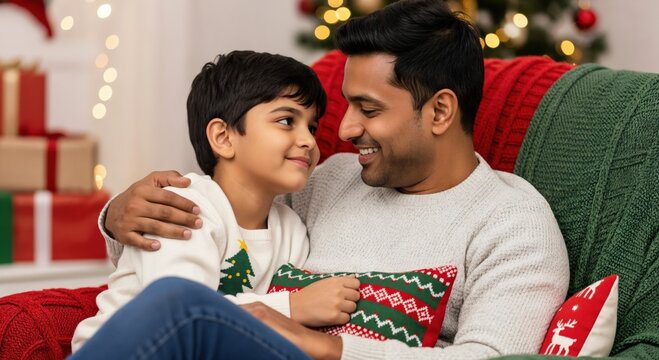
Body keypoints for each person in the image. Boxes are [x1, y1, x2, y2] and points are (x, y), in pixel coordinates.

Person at [88, 0, 569, 359]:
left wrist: (334, 348)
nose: (342, 131)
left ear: (440, 110)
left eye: (369, 108)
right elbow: (227, 228)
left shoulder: (513, 222)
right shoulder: (331, 179)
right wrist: (118, 216)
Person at [71, 51, 361, 353]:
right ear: (223, 137)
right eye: (287, 121)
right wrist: (292, 306)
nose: (309, 141)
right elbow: (183, 310)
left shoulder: (291, 230)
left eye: (311, 127)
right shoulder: (184, 206)